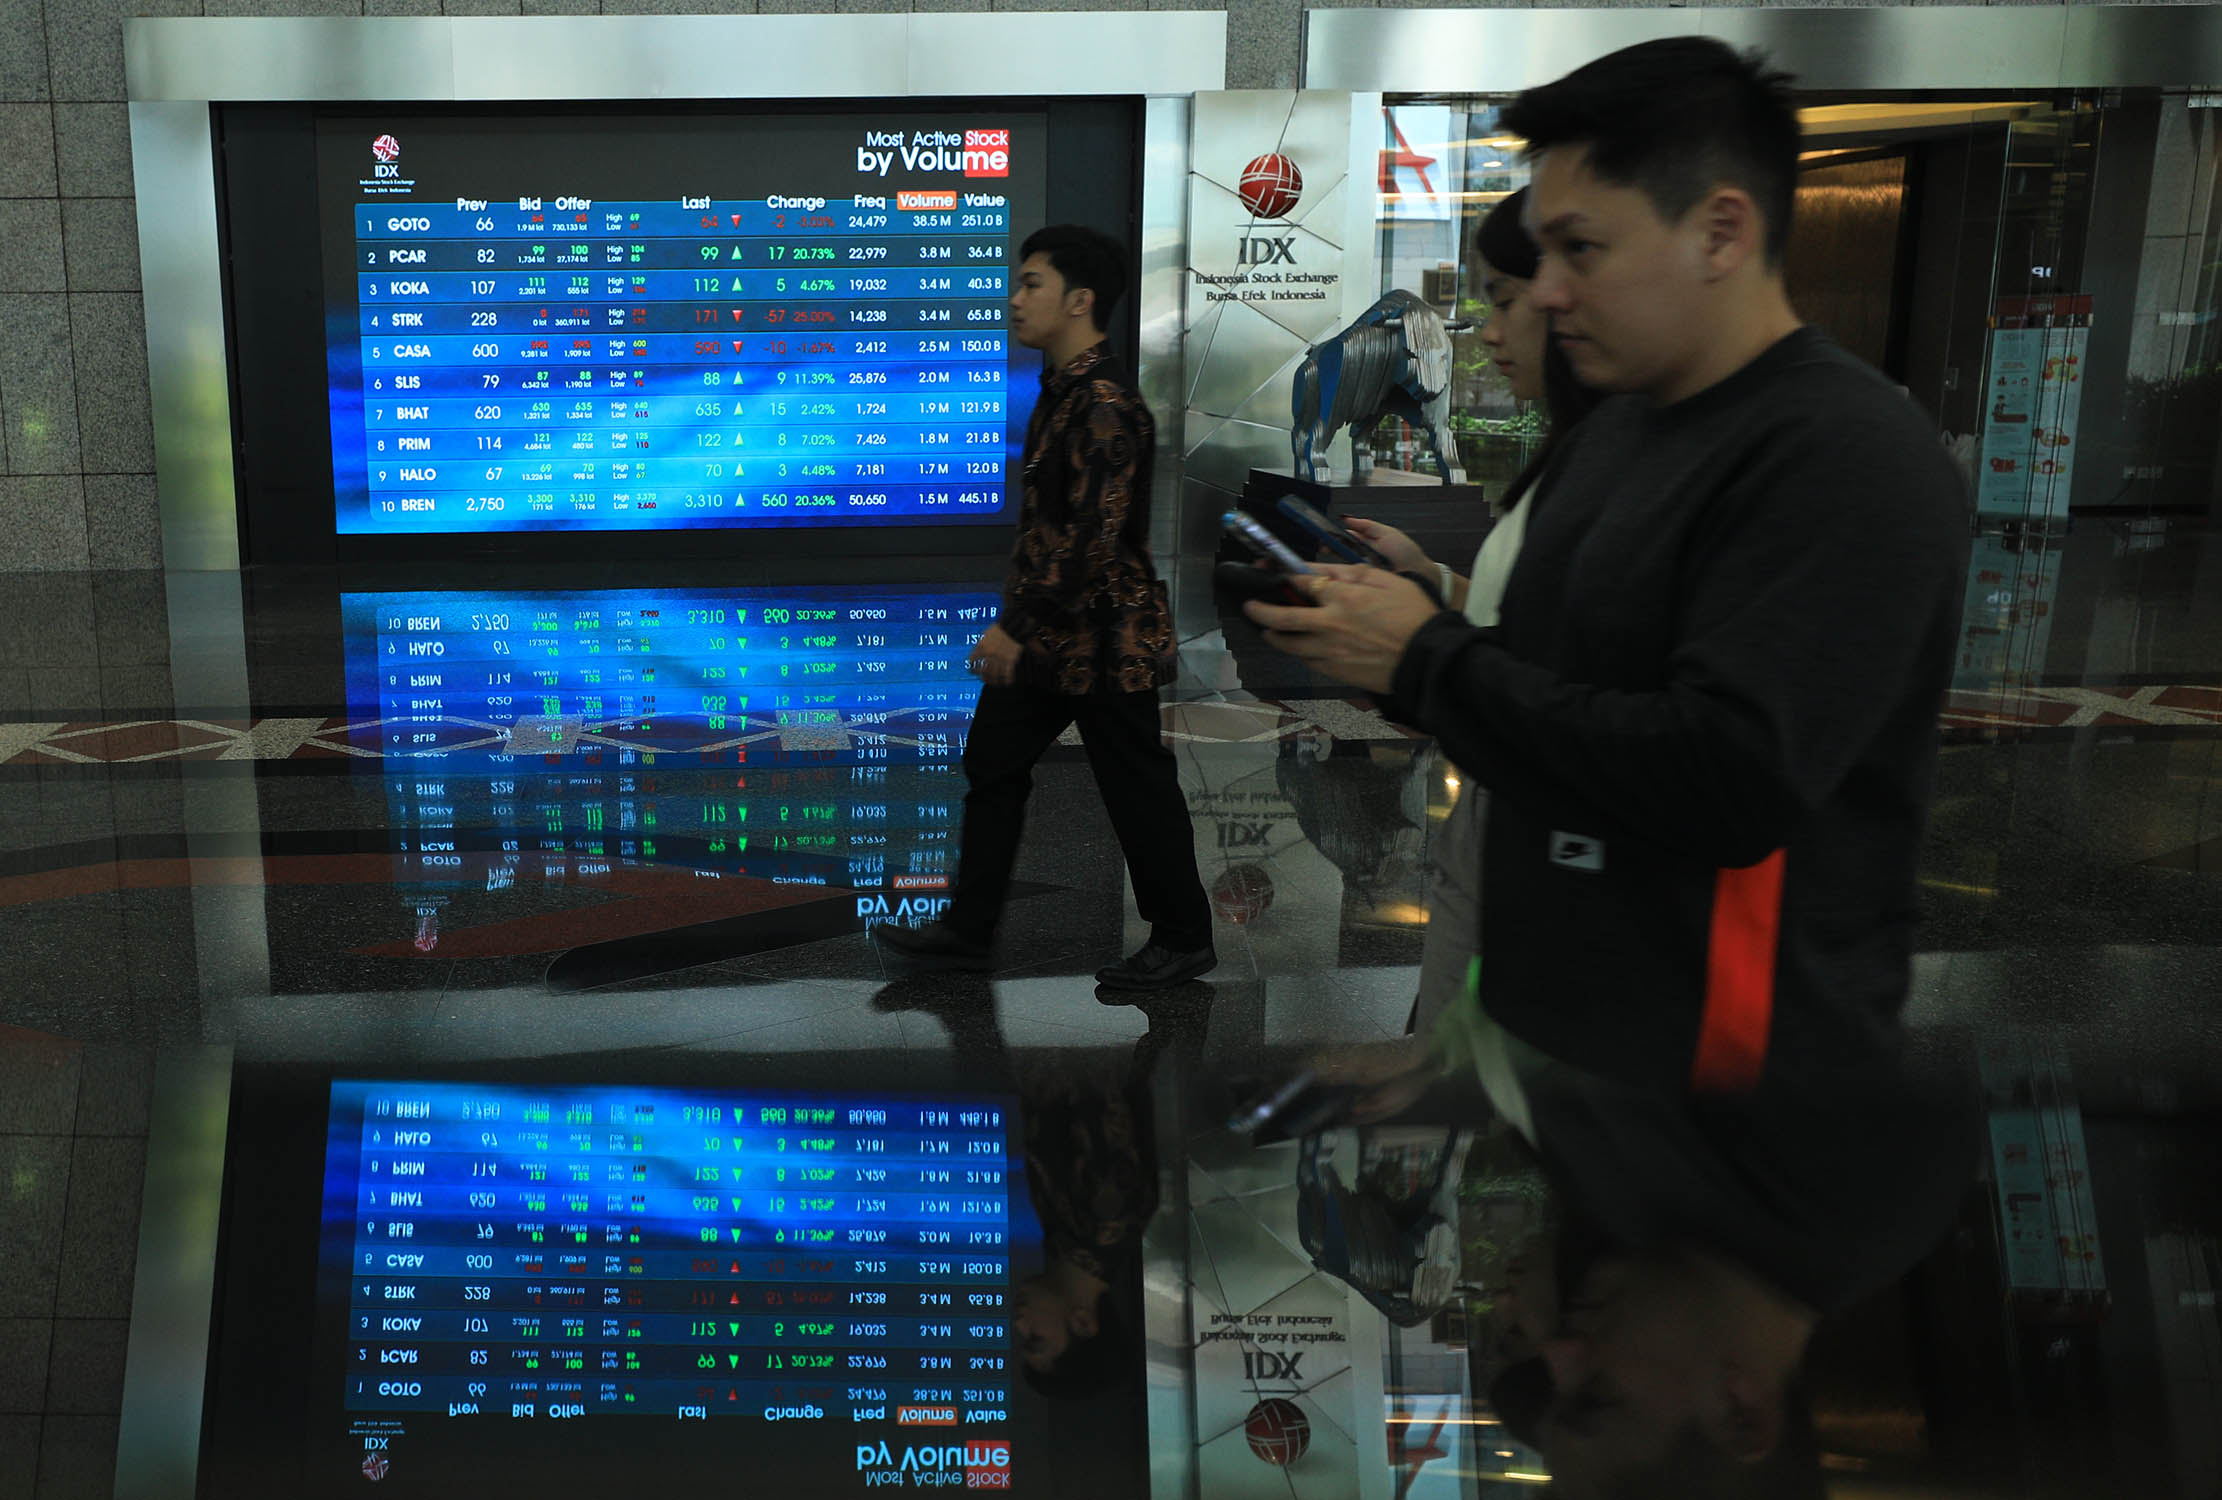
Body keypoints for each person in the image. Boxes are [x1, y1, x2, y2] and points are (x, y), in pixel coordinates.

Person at [1247, 36, 1972, 1102]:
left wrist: (1430, 662)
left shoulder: (1841, 453)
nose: (1540, 295)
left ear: (1720, 231)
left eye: (1578, 251)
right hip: (1563, 1068)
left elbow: (1726, 777)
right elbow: (1561, 701)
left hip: (1729, 1104)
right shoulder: (1616, 434)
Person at [877, 225, 1215, 990]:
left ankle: (1185, 936)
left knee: (1136, 786)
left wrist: (1013, 627)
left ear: (1080, 300)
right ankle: (967, 931)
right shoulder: (1064, 392)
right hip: (1057, 638)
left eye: (1031, 283)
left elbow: (1090, 540)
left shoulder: (1102, 404)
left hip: (1100, 641)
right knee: (992, 765)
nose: (1015, 297)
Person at [1341, 188, 1599, 1053]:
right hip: (1499, 831)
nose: (1490, 332)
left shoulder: (1651, 473)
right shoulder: (1578, 457)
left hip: (1547, 858)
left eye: (1505, 300)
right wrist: (1434, 587)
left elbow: (1593, 699)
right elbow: (1532, 632)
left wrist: (1422, 657)